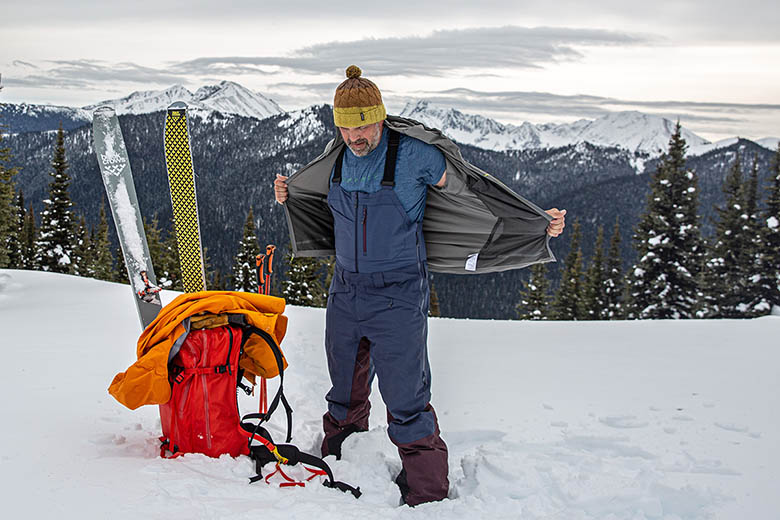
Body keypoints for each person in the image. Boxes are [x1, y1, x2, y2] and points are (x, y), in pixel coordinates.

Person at [274, 66, 565, 506]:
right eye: (346, 127)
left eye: (364, 126)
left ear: (381, 117)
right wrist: (287, 194)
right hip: (346, 293)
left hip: (399, 294)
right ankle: (343, 465)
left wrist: (534, 221)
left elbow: (474, 193)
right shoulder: (333, 161)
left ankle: (427, 494)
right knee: (344, 392)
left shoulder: (413, 155)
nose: (355, 138)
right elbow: (312, 200)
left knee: (406, 397)